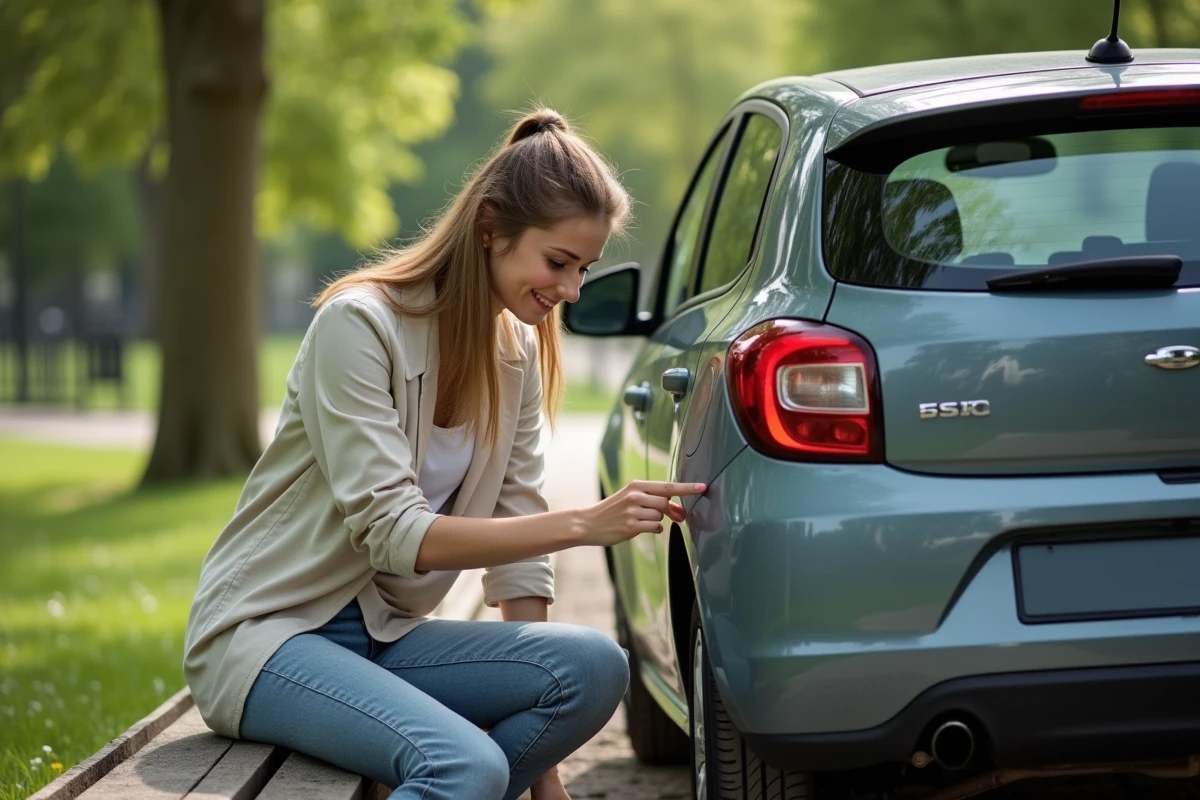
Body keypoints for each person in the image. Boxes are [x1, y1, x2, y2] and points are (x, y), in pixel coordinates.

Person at [182, 109, 705, 800]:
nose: (572, 290)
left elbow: (518, 551)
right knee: (467, 766)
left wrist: (546, 776)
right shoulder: (359, 325)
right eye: (558, 262)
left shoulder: (515, 352)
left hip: (387, 637)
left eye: (584, 268)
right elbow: (394, 534)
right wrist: (584, 523)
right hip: (270, 638)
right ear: (490, 228)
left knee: (594, 667)